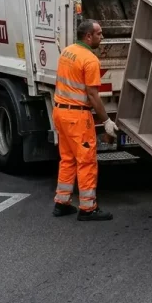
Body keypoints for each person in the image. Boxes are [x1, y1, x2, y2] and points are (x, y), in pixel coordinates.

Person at [51, 19, 116, 221]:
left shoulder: (67, 52)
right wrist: (106, 121)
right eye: (99, 33)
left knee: (68, 158)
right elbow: (93, 95)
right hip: (77, 117)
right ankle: (88, 208)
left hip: (60, 112)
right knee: (86, 160)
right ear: (88, 36)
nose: (102, 37)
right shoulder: (90, 60)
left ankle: (61, 203)